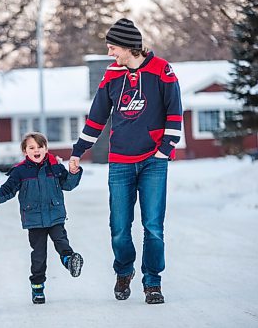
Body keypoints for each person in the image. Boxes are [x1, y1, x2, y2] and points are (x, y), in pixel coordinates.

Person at [69, 18, 182, 304]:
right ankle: (124, 271)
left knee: (153, 226)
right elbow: (97, 117)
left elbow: (175, 111)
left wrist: (165, 148)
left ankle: (152, 282)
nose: (110, 54)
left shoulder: (162, 70)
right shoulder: (111, 75)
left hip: (153, 161)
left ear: (129, 46)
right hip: (120, 161)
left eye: (112, 48)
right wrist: (78, 150)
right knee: (119, 227)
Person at [0, 132, 84, 304]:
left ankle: (69, 260)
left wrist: (74, 172)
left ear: (46, 149)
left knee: (61, 241)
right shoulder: (20, 171)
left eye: (40, 147)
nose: (36, 150)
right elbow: (8, 189)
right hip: (34, 220)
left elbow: (68, 184)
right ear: (25, 151)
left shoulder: (55, 167)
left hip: (55, 216)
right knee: (38, 255)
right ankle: (38, 288)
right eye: (32, 147)